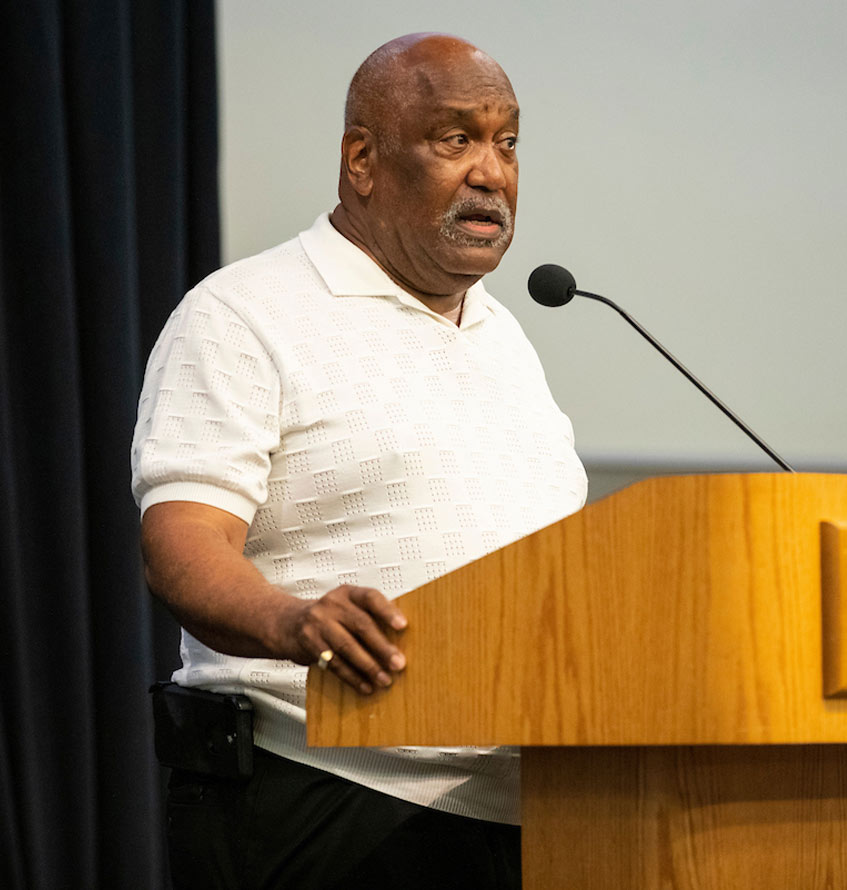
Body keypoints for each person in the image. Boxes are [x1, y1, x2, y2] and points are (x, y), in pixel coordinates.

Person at [131, 33, 586, 889]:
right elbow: (182, 541)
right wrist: (293, 622)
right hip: (321, 800)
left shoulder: (504, 338)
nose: (492, 172)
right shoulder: (243, 313)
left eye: (508, 141)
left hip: (532, 810)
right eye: (456, 140)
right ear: (363, 159)